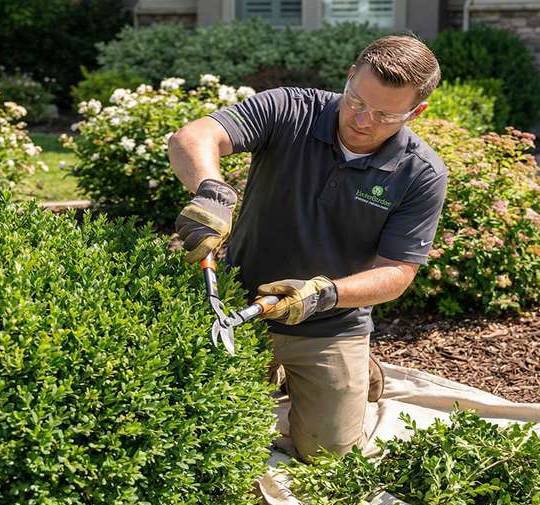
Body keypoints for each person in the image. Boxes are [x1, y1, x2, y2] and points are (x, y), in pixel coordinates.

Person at [167, 35, 448, 461]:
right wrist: (210, 192)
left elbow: (397, 274)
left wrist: (325, 293)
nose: (362, 120)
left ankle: (354, 369)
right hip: (239, 303)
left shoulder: (420, 173)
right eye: (356, 101)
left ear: (416, 112)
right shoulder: (290, 108)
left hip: (330, 322)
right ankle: (284, 373)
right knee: (202, 428)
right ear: (350, 77)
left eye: (385, 115)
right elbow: (193, 136)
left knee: (326, 454)